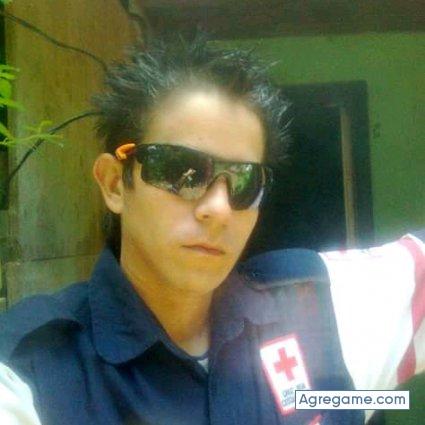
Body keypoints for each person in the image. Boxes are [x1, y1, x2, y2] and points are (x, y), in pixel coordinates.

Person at [0, 34, 423, 424]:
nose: (219, 209)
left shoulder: (318, 305)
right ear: (114, 183)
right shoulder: (30, 375)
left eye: (245, 181)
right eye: (181, 171)